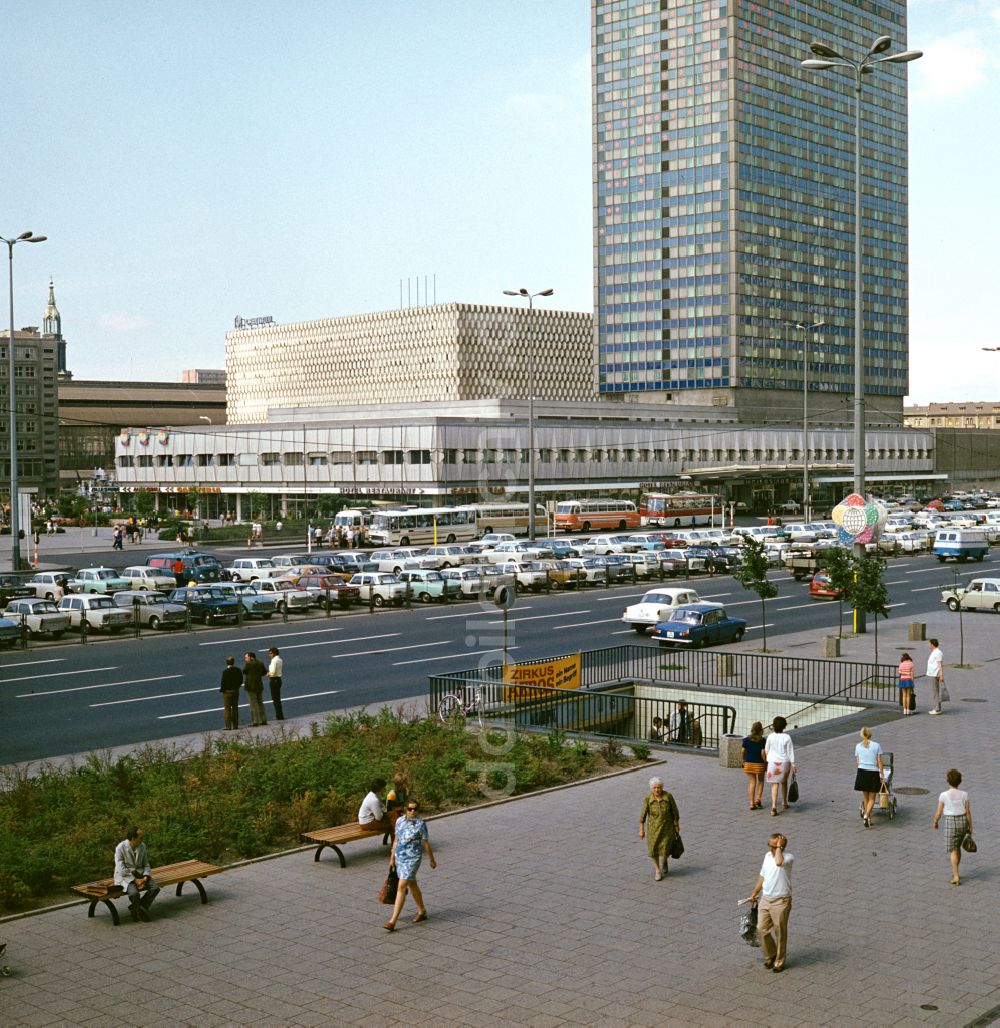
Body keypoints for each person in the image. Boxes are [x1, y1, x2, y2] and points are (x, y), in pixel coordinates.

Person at [383, 799, 437, 931]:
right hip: (400, 857)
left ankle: (392, 921)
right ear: (405, 809)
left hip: (413, 859)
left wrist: (431, 859)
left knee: (401, 886)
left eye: (415, 809)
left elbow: (425, 843)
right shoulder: (399, 821)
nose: (413, 811)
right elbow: (396, 840)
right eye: (410, 809)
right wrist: (392, 858)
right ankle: (422, 911)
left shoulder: (421, 824)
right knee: (412, 883)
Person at [748, 833, 794, 972]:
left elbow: (779, 862)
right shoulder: (767, 856)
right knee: (761, 929)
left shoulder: (788, 858)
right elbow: (763, 875)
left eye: (773, 846)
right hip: (766, 899)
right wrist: (755, 892)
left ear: (781, 846)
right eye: (770, 845)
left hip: (781, 901)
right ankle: (771, 954)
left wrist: (779, 847)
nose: (770, 849)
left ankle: (779, 961)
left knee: (780, 932)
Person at [934, 768, 973, 886]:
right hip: (963, 821)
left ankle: (956, 876)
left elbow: (939, 812)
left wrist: (935, 821)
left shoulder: (943, 795)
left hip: (951, 821)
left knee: (953, 849)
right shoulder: (964, 794)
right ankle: (956, 870)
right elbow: (968, 812)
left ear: (948, 781)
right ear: (959, 781)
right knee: (958, 847)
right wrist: (970, 826)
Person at [114, 827, 161, 923]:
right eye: (140, 837)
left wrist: (146, 876)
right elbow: (121, 869)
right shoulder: (120, 848)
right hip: (126, 876)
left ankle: (136, 908)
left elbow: (146, 864)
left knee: (155, 888)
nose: (142, 839)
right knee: (134, 893)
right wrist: (135, 880)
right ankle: (139, 911)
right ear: (132, 838)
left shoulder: (142, 846)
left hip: (140, 873)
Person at [638, 776, 679, 881]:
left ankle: (665, 860)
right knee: (653, 850)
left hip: (667, 828)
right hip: (653, 829)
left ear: (662, 787)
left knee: (666, 849)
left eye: (659, 787)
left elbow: (675, 811)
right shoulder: (648, 799)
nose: (657, 790)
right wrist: (641, 830)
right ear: (651, 788)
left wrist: (676, 825)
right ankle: (657, 870)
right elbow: (643, 816)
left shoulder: (668, 796)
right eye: (655, 788)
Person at [764, 716, 796, 816]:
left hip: (772, 762)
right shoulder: (787, 737)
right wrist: (793, 764)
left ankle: (773, 806)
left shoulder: (770, 736)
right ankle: (784, 802)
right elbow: (790, 752)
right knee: (784, 782)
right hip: (784, 762)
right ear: (784, 726)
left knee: (774, 784)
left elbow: (766, 750)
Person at [854, 726, 885, 829]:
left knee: (866, 797)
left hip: (861, 772)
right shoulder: (876, 745)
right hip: (873, 773)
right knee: (872, 797)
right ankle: (867, 816)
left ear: (862, 735)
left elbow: (858, 761)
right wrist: (882, 774)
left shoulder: (858, 746)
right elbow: (879, 761)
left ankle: (869, 818)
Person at [742, 721, 767, 810]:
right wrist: (765, 763)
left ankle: (751, 803)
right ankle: (758, 799)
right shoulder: (762, 740)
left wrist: (743, 760)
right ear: (761, 730)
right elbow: (763, 753)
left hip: (748, 764)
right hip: (759, 764)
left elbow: (743, 751)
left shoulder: (746, 740)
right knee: (760, 781)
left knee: (752, 782)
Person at [243, 651, 267, 726]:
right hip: (259, 685)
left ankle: (255, 721)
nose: (245, 659)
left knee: (253, 704)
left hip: (251, 686)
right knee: (260, 703)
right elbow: (264, 673)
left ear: (250, 657)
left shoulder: (248, 664)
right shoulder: (260, 663)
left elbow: (244, 671)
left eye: (246, 657)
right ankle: (263, 720)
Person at [220, 655, 242, 730]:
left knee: (227, 709)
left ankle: (228, 726)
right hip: (236, 691)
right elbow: (240, 680)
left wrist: (223, 690)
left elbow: (223, 683)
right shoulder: (238, 670)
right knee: (235, 708)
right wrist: (237, 687)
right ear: (233, 662)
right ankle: (235, 725)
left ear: (227, 663)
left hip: (227, 692)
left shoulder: (225, 672)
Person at [265, 646, 285, 721]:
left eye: (270, 653)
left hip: (274, 680)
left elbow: (272, 672)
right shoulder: (280, 659)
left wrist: (268, 674)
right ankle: (280, 714)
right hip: (279, 680)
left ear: (274, 653)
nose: (269, 655)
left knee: (275, 699)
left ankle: (278, 716)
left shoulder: (274, 660)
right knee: (278, 699)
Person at [926, 639, 945, 715]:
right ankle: (938, 707)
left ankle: (937, 708)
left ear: (932, 644)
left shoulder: (938, 652)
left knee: (935, 692)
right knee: (935, 691)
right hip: (932, 673)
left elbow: (940, 664)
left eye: (929, 644)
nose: (929, 645)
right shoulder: (935, 652)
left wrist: (941, 674)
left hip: (935, 674)